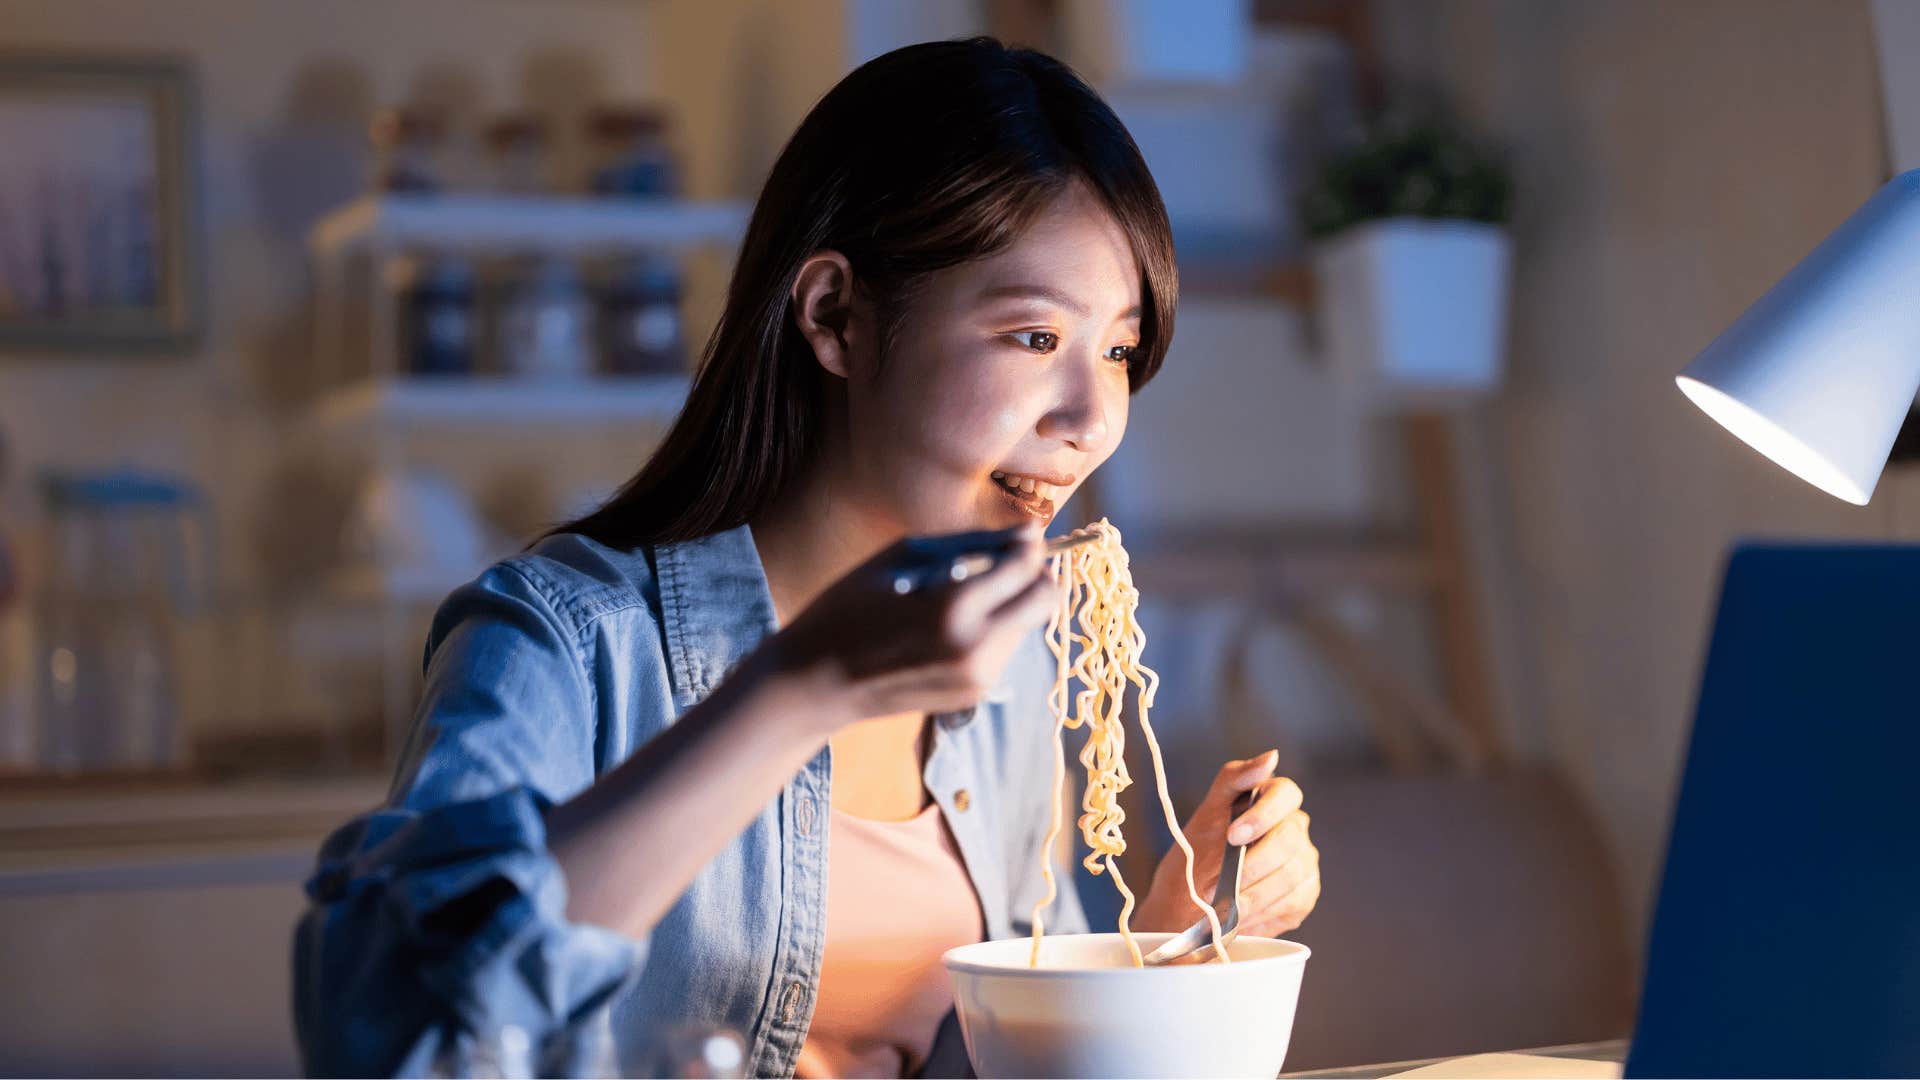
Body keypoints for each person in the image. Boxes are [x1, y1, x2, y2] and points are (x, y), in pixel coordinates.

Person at [294, 37, 1320, 1079]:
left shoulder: (1009, 667)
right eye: (1033, 339)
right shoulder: (561, 635)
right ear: (834, 316)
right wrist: (794, 693)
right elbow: (391, 1028)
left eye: (1116, 349)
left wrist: (1160, 940)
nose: (1094, 419)